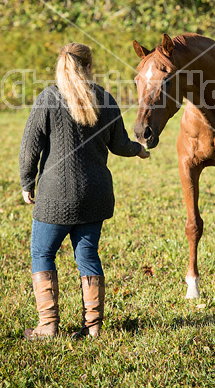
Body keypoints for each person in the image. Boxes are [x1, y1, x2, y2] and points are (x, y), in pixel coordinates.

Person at [19, 42, 149, 340]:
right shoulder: (104, 98)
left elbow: (30, 148)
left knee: (42, 253)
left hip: (55, 195)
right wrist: (138, 151)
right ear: (90, 67)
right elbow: (119, 145)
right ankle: (93, 328)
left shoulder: (48, 98)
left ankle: (48, 326)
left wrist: (27, 183)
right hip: (96, 193)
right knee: (88, 254)